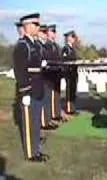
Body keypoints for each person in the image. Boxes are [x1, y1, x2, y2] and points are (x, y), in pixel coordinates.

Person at [13, 13, 49, 162]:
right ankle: (30, 153)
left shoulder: (33, 44)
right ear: (27, 26)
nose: (38, 27)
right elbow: (20, 71)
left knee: (35, 124)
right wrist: (25, 91)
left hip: (38, 88)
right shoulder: (23, 46)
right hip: (29, 90)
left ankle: (36, 151)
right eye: (36, 25)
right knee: (29, 123)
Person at [36, 24, 58, 130]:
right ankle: (44, 122)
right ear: (39, 33)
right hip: (42, 77)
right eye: (43, 32)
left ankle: (47, 120)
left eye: (46, 32)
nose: (45, 34)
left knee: (47, 99)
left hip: (47, 76)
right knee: (44, 100)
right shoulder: (38, 45)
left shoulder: (43, 46)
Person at [46, 24, 66, 122]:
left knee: (57, 94)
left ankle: (56, 113)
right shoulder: (46, 45)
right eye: (52, 31)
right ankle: (52, 114)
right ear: (47, 33)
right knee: (51, 95)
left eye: (54, 32)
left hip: (57, 73)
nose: (54, 33)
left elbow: (60, 59)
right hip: (50, 73)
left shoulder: (57, 46)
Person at [62, 30, 78, 115]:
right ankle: (69, 109)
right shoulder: (66, 48)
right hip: (69, 73)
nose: (73, 39)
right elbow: (64, 61)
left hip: (74, 73)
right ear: (68, 38)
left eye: (74, 37)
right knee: (69, 91)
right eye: (72, 37)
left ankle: (73, 108)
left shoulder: (72, 48)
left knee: (73, 91)